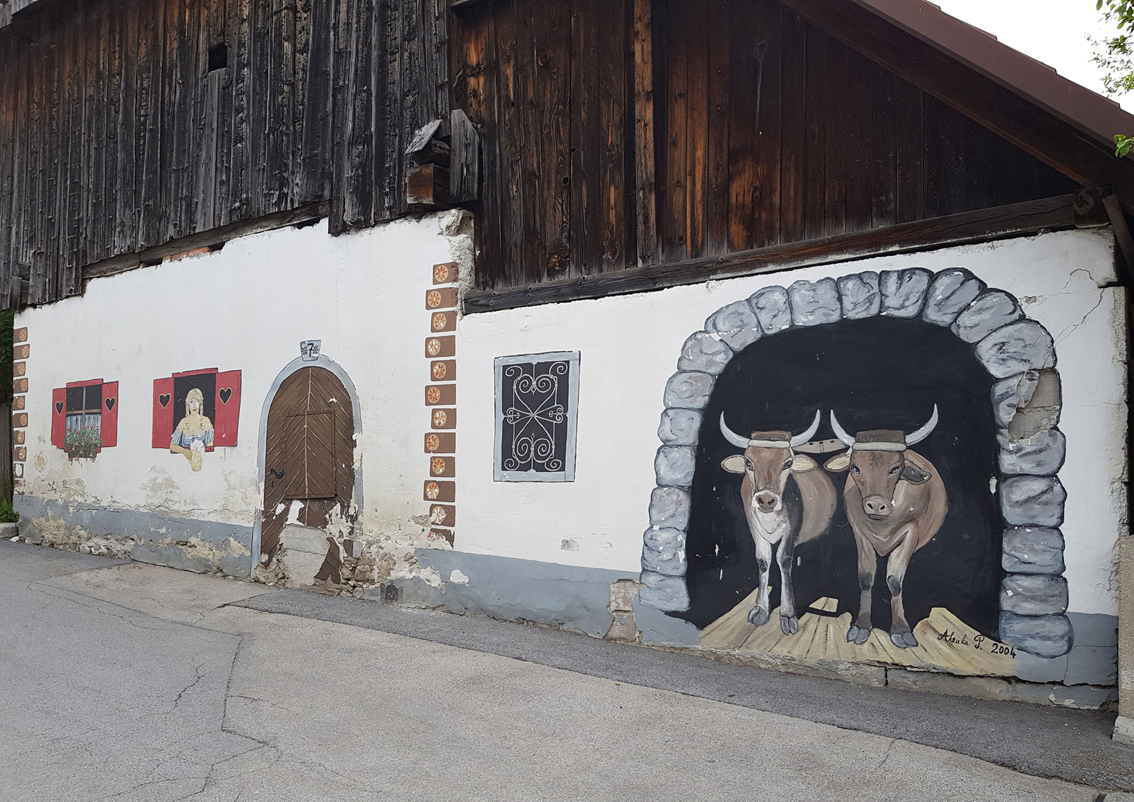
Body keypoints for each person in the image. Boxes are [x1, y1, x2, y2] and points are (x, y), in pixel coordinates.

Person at [170, 387, 214, 471]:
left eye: (197, 401)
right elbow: (172, 446)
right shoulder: (183, 422)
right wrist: (185, 452)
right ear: (187, 404)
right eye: (191, 402)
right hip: (182, 466)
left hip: (203, 467)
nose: (194, 405)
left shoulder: (206, 421)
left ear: (200, 403)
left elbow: (210, 446)